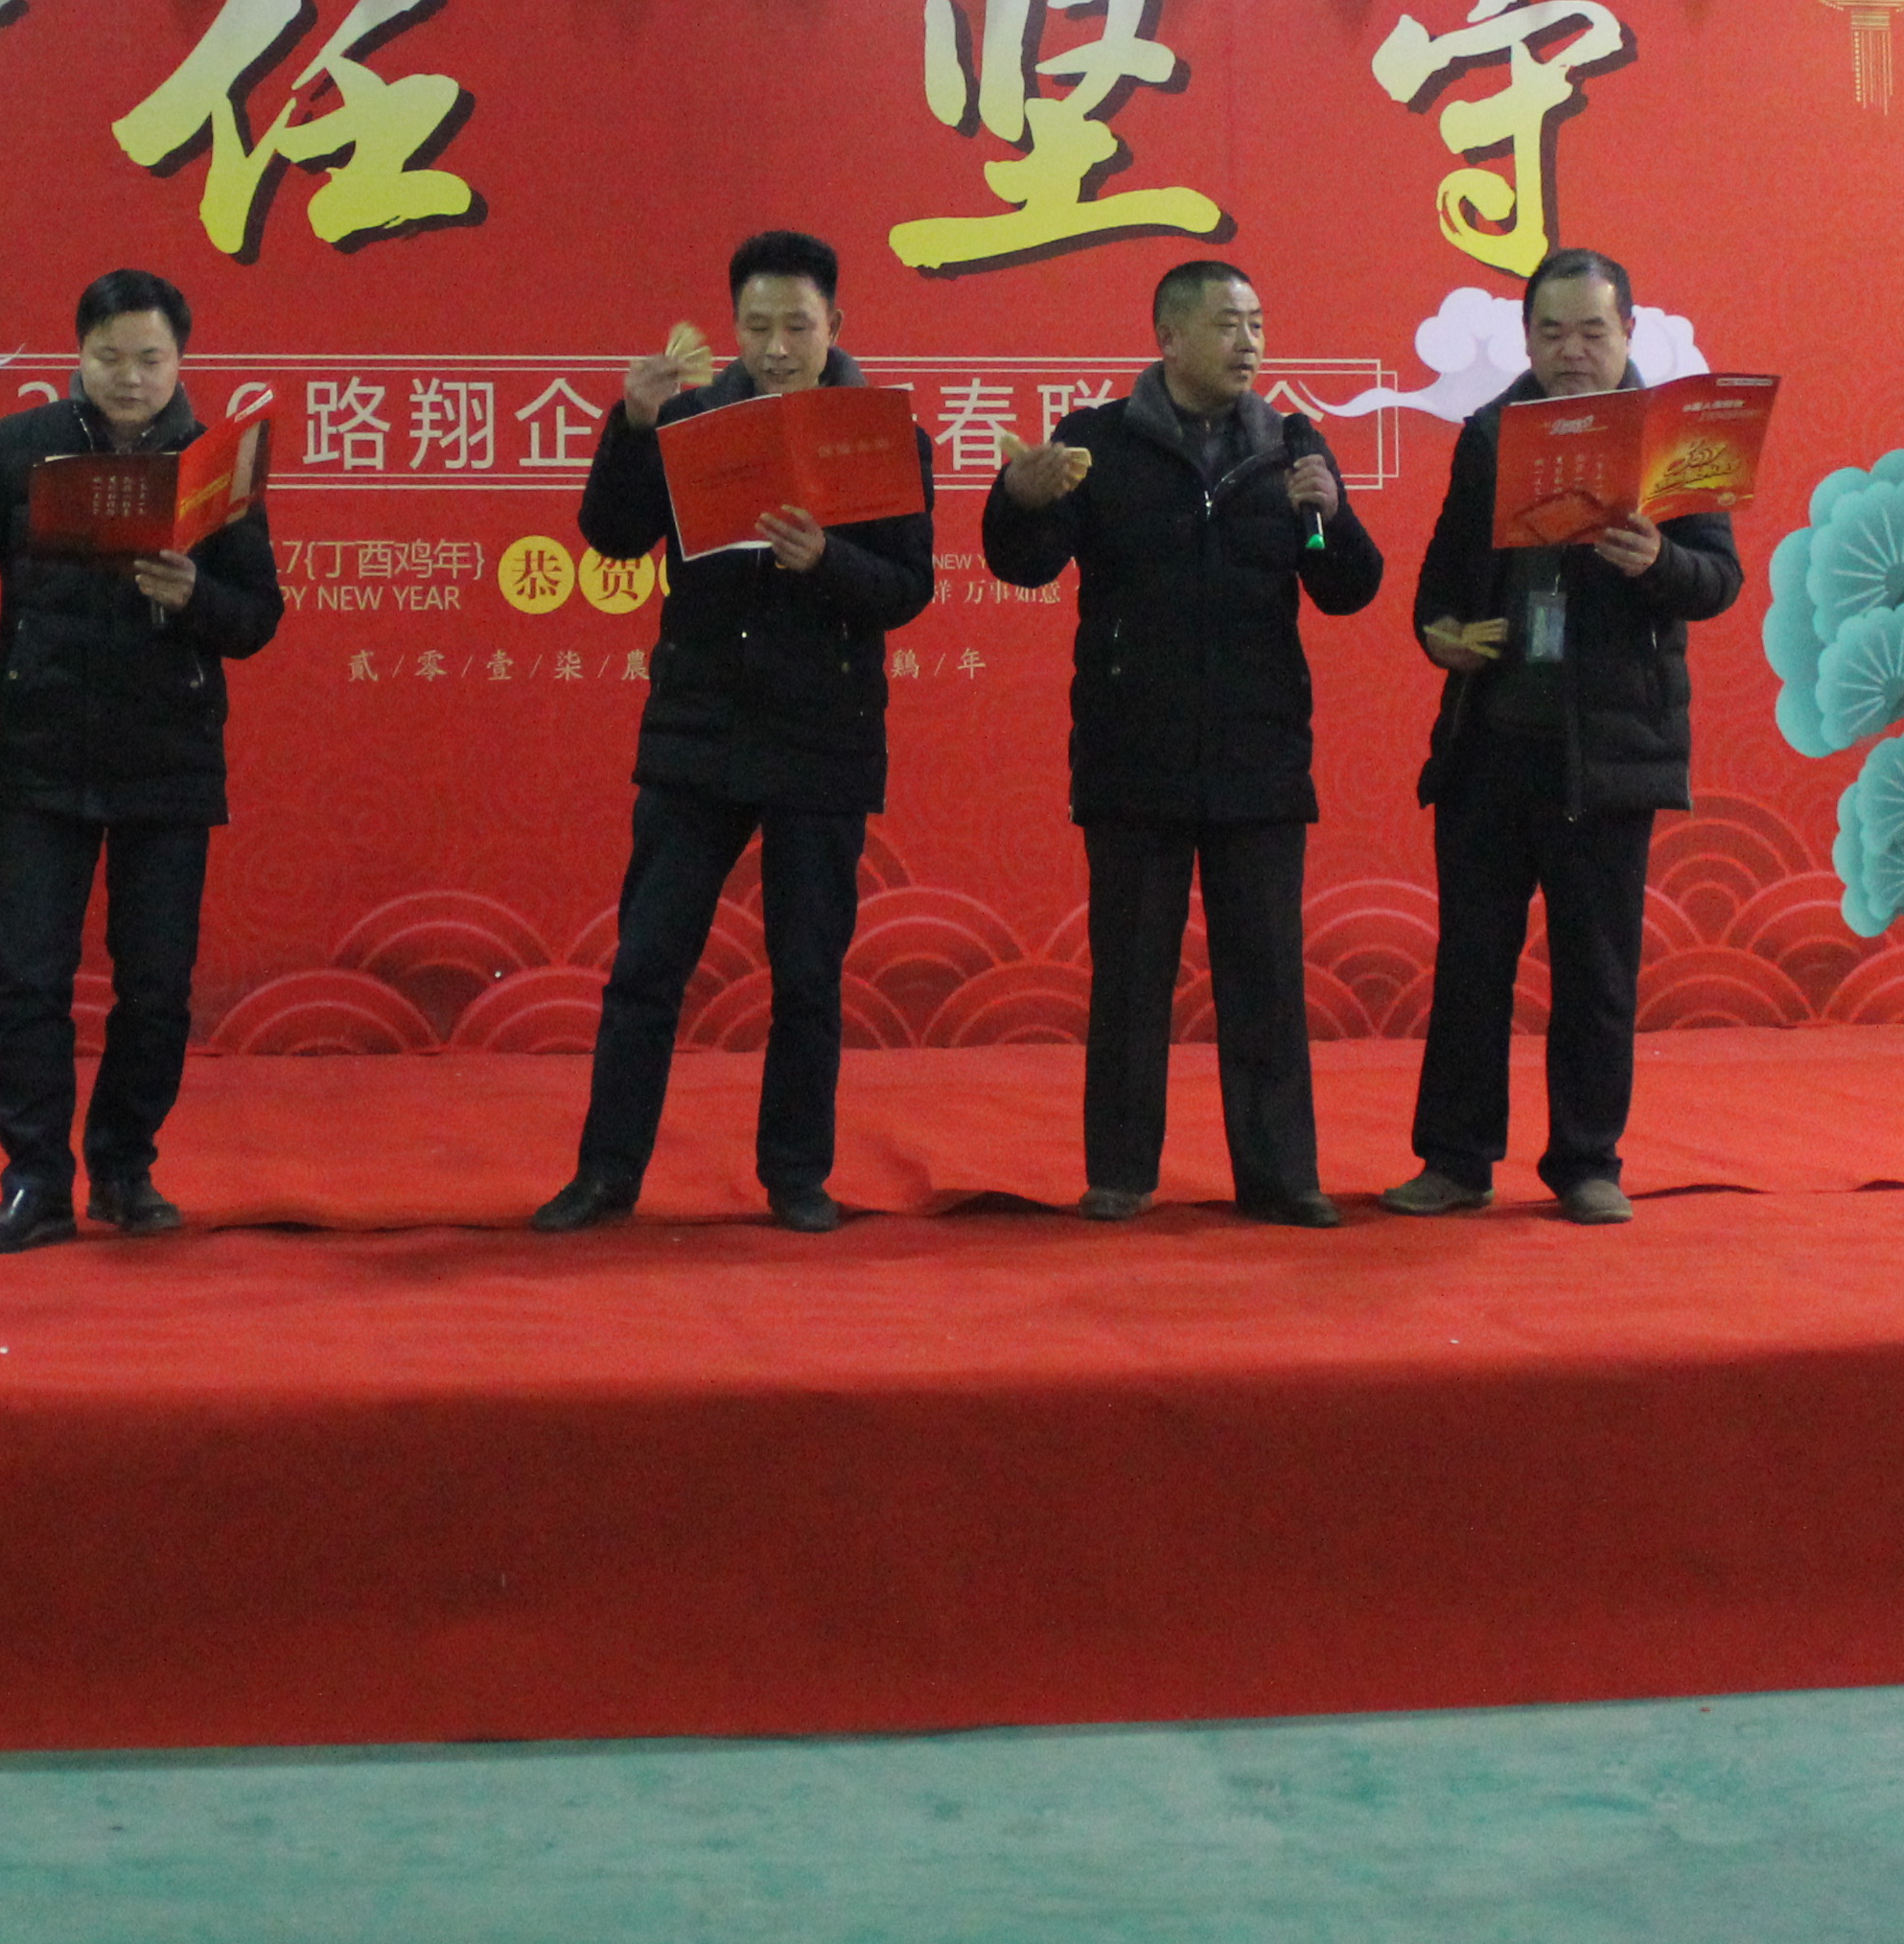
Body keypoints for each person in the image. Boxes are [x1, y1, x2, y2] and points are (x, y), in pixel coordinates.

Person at [0, 268, 288, 1254]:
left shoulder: (215, 466)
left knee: (157, 987)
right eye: (109, 358)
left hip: (168, 756)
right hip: (40, 752)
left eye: (150, 359)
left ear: (180, 360)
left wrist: (195, 597)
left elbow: (258, 617)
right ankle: (34, 1183)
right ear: (78, 354)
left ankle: (125, 1167)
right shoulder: (22, 447)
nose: (130, 378)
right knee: (28, 981)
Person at [533, 229, 935, 1237]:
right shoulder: (690, 421)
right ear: (734, 328)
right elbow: (612, 535)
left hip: (823, 735)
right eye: (757, 327)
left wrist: (825, 561)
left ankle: (797, 1175)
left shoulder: (880, 436)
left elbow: (908, 588)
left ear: (835, 325)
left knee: (807, 975)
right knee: (647, 965)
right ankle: (606, 1174)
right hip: (699, 729)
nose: (776, 347)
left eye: (797, 326)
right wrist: (633, 426)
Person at [981, 257, 1382, 1227]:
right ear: (1167, 336)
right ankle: (1120, 1172)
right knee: (1131, 978)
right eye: (1227, 324)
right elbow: (1023, 564)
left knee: (1266, 977)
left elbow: (1348, 586)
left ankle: (1282, 1178)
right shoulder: (1096, 442)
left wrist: (1331, 516)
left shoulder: (1291, 444)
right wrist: (1019, 497)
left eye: (1258, 323)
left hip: (1259, 755)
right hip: (1134, 753)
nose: (1250, 343)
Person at [1396, 246, 1745, 1228]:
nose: (1572, 351)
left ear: (1628, 330)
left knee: (1596, 971)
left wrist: (1657, 561)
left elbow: (1718, 582)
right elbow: (1439, 585)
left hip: (1608, 752)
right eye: (1551, 332)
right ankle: (1456, 1160)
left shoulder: (1677, 440)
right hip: (1491, 743)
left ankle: (1589, 1162)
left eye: (1593, 330)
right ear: (1526, 338)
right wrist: (1440, 635)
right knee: (1472, 965)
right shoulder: (1487, 434)